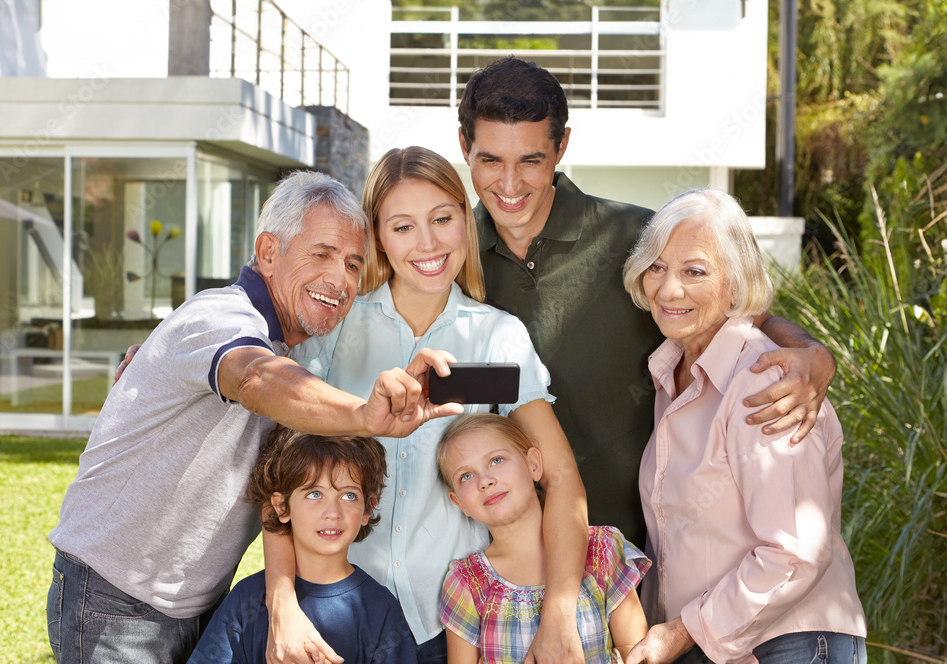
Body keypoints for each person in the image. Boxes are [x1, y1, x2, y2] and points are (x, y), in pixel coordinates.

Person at [47, 171, 462, 664]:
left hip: (196, 606)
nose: (341, 279)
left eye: (353, 264)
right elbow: (255, 380)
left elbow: (279, 483)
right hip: (116, 601)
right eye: (322, 254)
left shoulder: (295, 353)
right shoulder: (222, 317)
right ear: (268, 252)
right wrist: (361, 415)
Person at [458, 56, 839, 543]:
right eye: (490, 160)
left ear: (562, 147)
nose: (509, 186)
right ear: (465, 147)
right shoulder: (448, 256)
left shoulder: (638, 237)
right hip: (503, 564)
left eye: (530, 160)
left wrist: (813, 355)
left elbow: (741, 312)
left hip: (643, 557)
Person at [279, 147, 589, 664]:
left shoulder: (497, 336)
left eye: (442, 219)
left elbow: (560, 477)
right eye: (402, 227)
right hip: (336, 616)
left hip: (451, 625)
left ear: (465, 221)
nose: (427, 243)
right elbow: (280, 470)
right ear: (377, 234)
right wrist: (281, 599)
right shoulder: (338, 325)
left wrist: (559, 612)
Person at [620, 189, 866, 663]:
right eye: (657, 267)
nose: (669, 289)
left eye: (694, 271)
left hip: (792, 643)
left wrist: (683, 631)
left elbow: (795, 552)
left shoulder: (764, 380)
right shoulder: (674, 375)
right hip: (734, 647)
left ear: (736, 284)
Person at [188, 427, 418, 664]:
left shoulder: (381, 609)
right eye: (314, 494)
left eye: (349, 495)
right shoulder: (246, 600)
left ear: (367, 509)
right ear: (282, 507)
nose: (332, 513)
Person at [437, 413, 650, 664]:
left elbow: (635, 650)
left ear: (533, 465)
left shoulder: (602, 550)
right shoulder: (466, 583)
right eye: (466, 476)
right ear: (458, 502)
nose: (485, 481)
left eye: (496, 460)